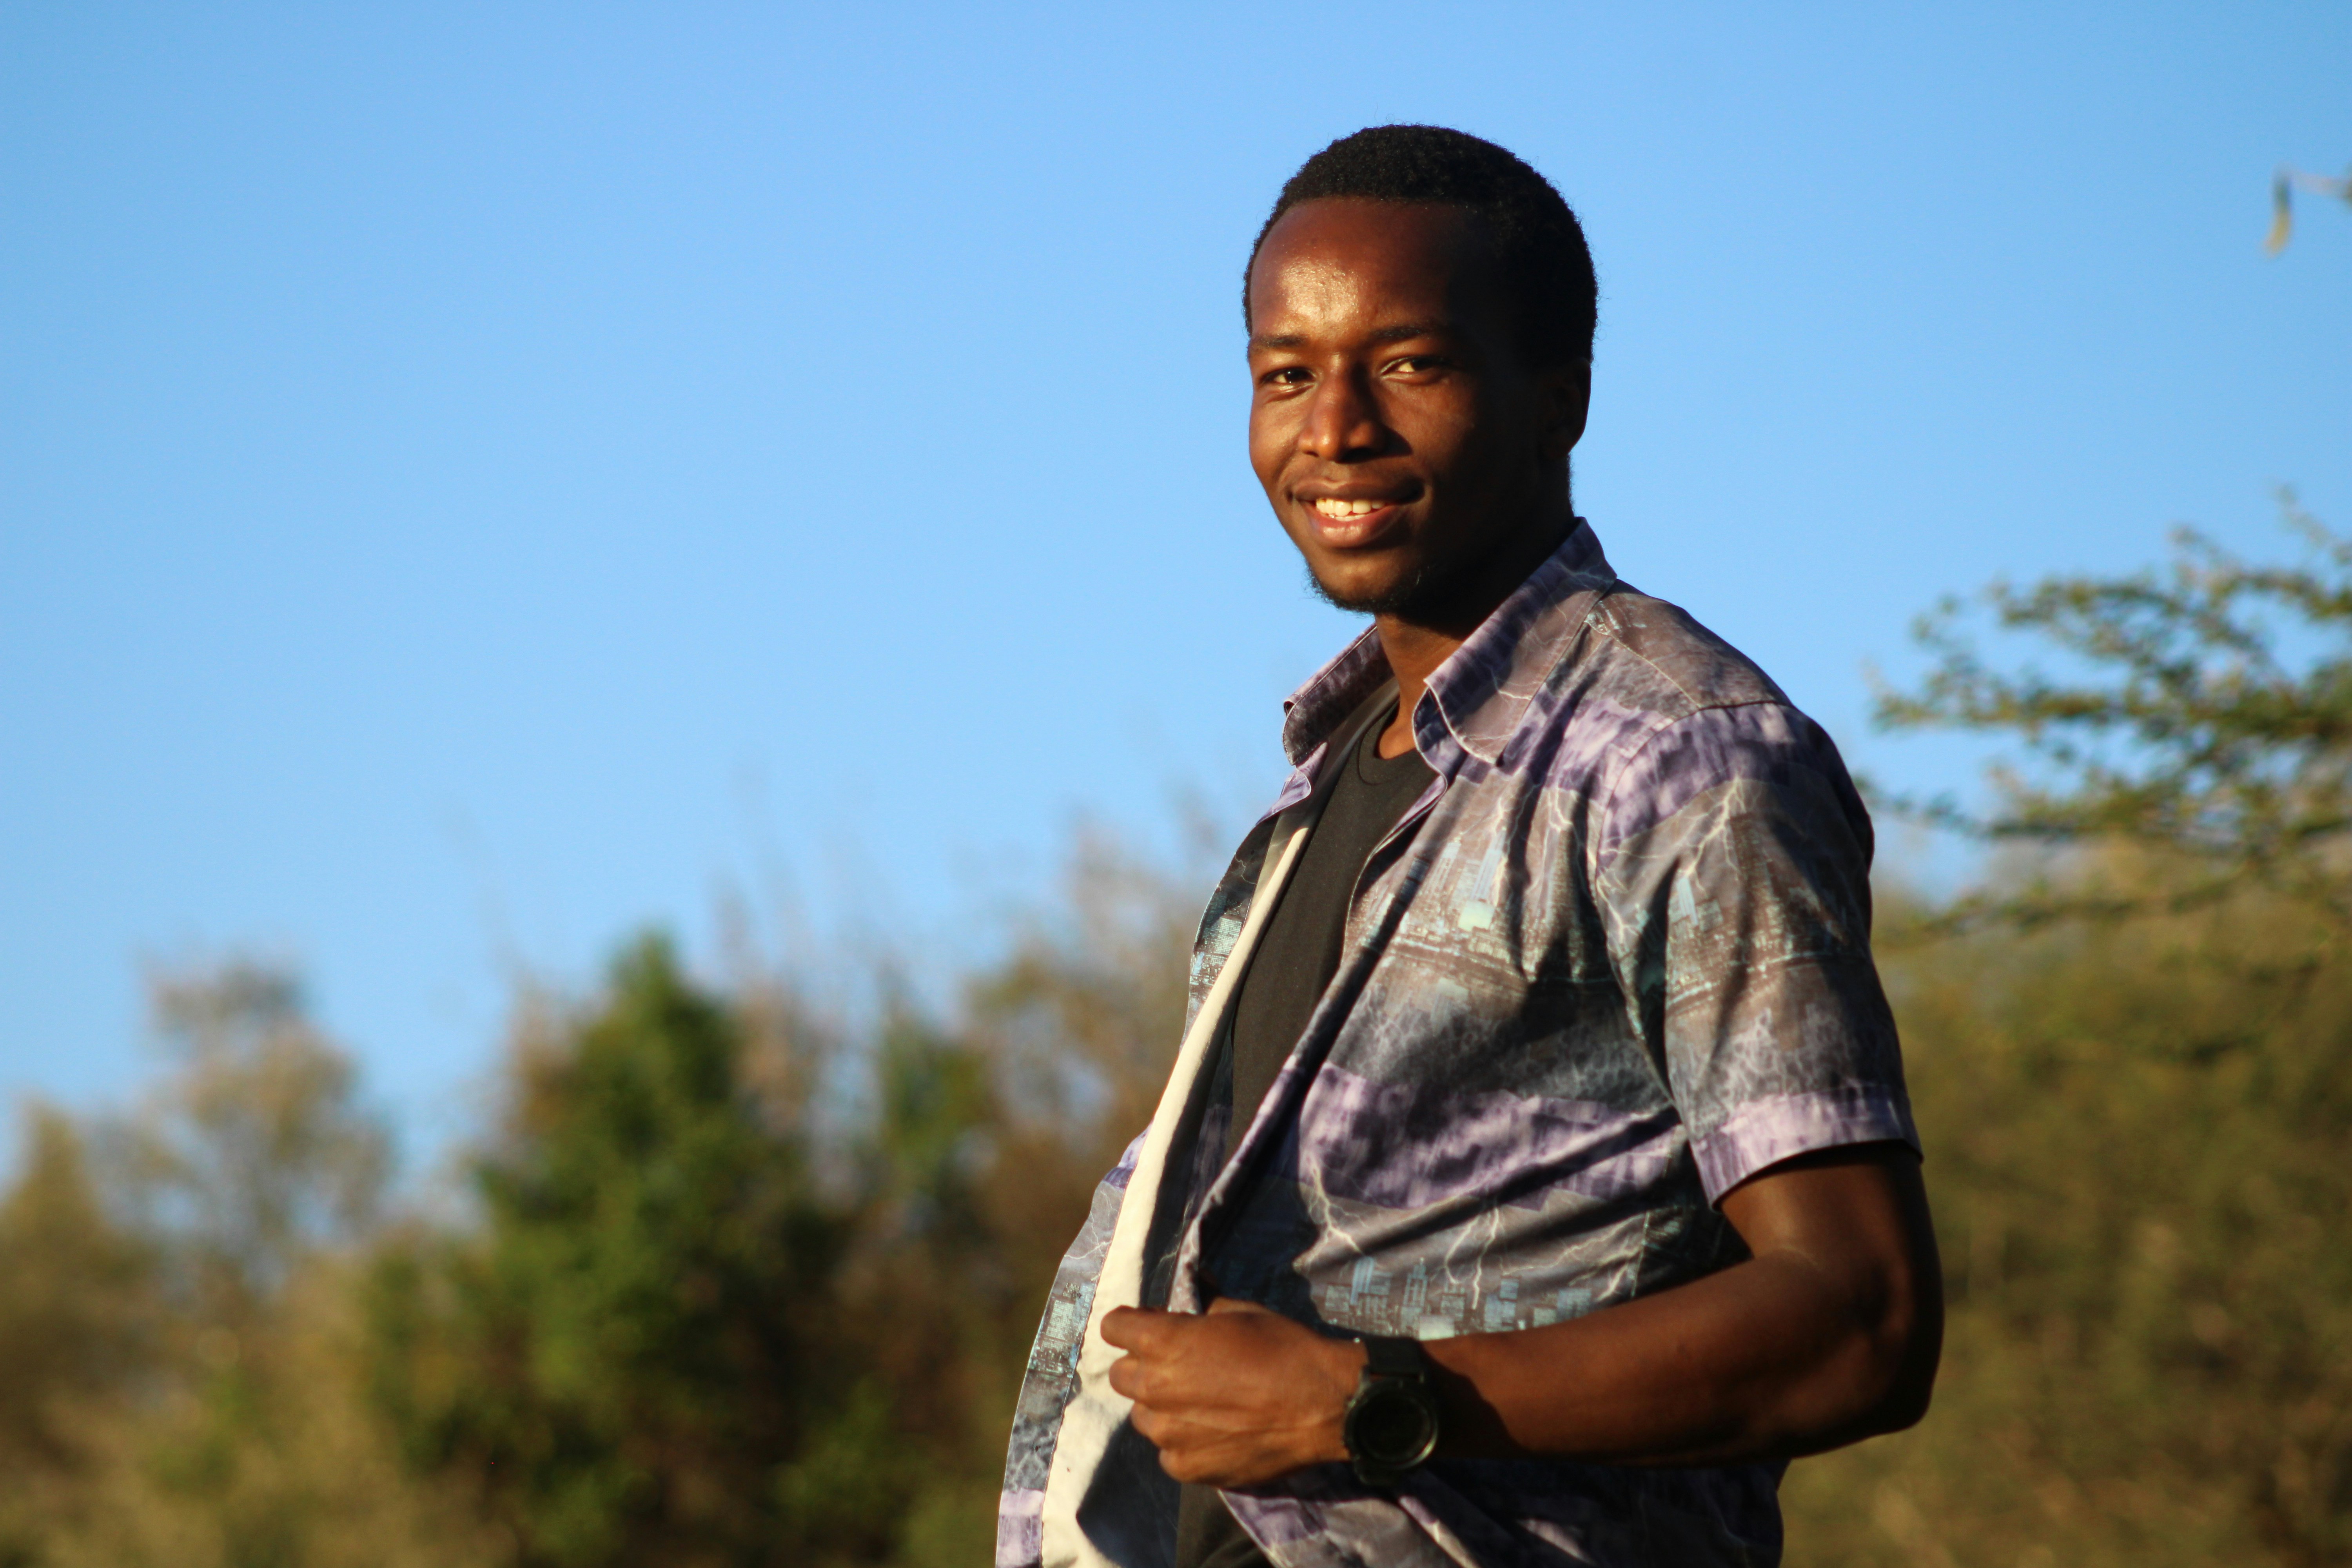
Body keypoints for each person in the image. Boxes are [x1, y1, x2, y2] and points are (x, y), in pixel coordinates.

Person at [997, 125, 1940, 1568]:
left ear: (1559, 394)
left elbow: (1859, 1313)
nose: (1335, 431)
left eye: (1411, 365)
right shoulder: (1323, 787)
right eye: (1285, 374)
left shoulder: (1679, 757)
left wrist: (1378, 1404)